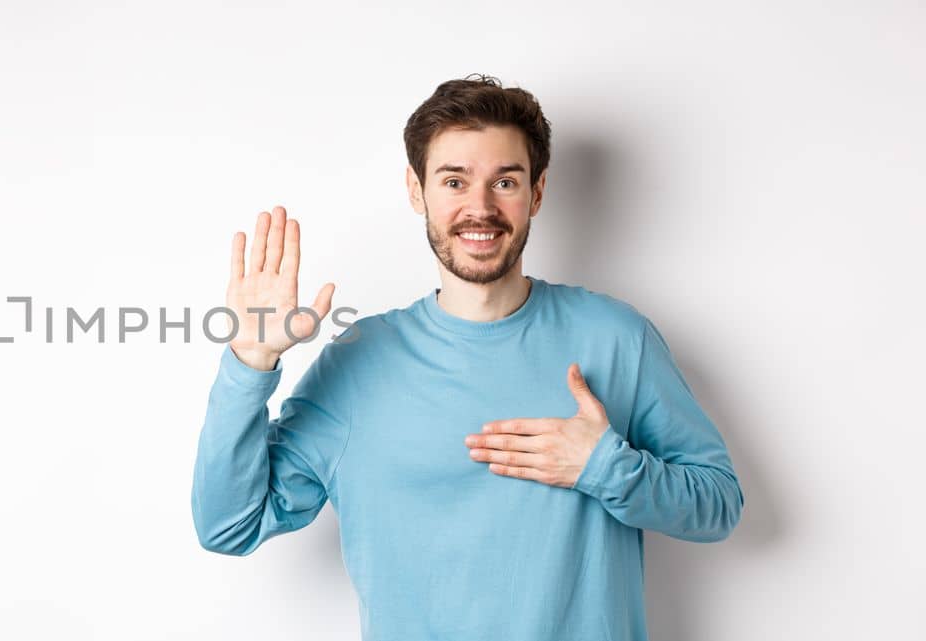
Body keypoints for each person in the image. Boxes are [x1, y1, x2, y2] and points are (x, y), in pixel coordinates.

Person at [189, 74, 745, 641]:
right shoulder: (359, 364)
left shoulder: (617, 338)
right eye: (454, 181)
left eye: (504, 181)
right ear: (416, 190)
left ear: (537, 191)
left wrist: (606, 468)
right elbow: (228, 526)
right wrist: (249, 363)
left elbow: (719, 504)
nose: (480, 208)